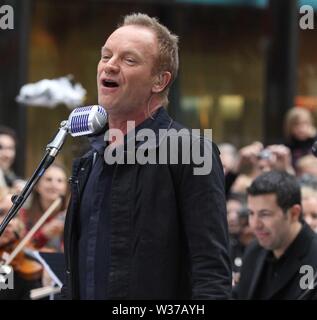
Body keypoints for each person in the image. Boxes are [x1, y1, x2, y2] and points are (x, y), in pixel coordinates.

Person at [63, 12, 232, 300]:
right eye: (106, 56)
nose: (110, 66)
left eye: (129, 60)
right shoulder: (90, 156)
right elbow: (77, 270)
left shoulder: (191, 151)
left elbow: (212, 273)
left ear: (159, 81)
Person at [234, 170, 317, 300]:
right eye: (251, 213)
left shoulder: (313, 257)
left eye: (265, 214)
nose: (255, 224)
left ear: (294, 213)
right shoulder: (254, 250)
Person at [19, 164, 68, 252]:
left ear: (65, 188)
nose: (54, 185)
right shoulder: (23, 214)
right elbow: (20, 248)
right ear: (38, 186)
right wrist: (43, 234)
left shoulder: (69, 216)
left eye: (60, 181)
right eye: (48, 179)